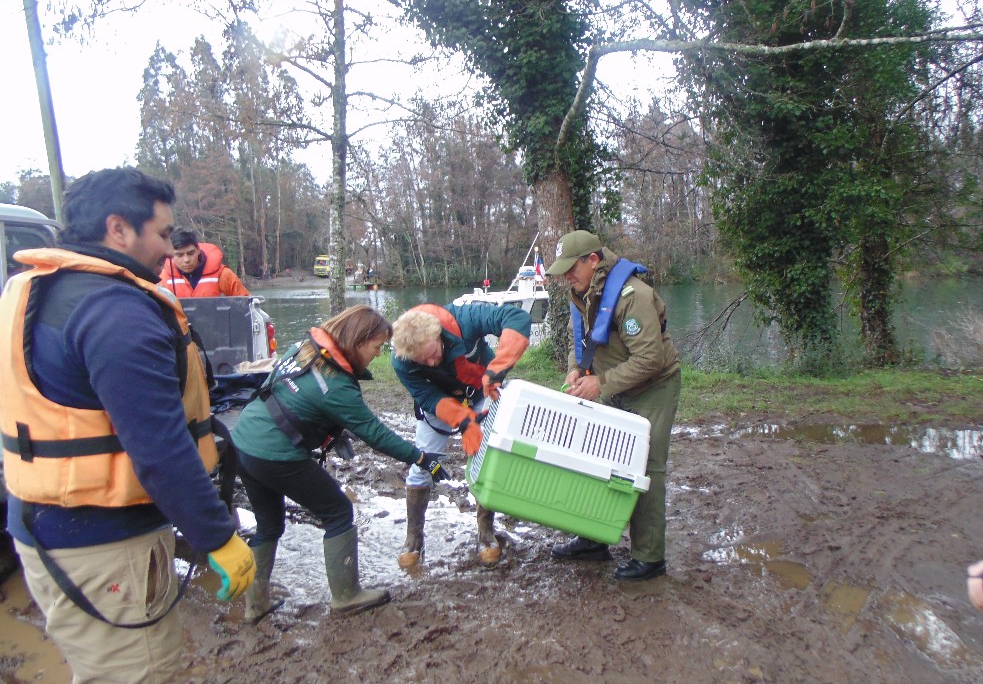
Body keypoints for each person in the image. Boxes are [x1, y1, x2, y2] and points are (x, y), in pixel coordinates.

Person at [0, 167, 254, 683]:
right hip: (106, 547)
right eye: (162, 234)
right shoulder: (115, 310)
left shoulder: (32, 290)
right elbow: (158, 445)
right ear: (119, 228)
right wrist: (217, 537)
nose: (169, 249)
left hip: (39, 527)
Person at [232, 305, 448, 622]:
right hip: (276, 454)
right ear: (359, 340)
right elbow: (375, 433)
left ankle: (255, 605)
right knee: (338, 512)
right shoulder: (338, 385)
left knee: (269, 525)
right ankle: (347, 596)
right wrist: (420, 457)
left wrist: (332, 432)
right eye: (376, 348)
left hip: (244, 443)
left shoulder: (306, 348)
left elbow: (293, 396)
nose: (376, 355)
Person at [545, 230, 681, 581]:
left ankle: (650, 558)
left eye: (571, 268)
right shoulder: (583, 291)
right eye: (562, 271)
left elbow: (651, 358)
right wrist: (577, 369)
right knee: (594, 458)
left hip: (653, 388)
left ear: (593, 260)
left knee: (645, 467)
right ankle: (593, 540)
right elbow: (583, 340)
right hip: (611, 386)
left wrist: (600, 384)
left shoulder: (633, 296)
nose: (566, 277)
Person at [391, 302, 531, 566]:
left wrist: (497, 368)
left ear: (438, 334)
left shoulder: (465, 318)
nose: (432, 362)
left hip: (483, 389)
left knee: (487, 457)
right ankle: (413, 539)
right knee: (423, 462)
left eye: (433, 353)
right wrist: (464, 422)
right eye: (424, 361)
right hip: (441, 404)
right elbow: (426, 396)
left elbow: (516, 317)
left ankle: (486, 531)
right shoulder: (402, 361)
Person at [159, 228, 251, 297]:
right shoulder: (163, 280)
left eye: (191, 253)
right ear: (171, 254)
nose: (186, 260)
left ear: (198, 250)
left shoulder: (223, 275)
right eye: (179, 255)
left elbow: (247, 305)